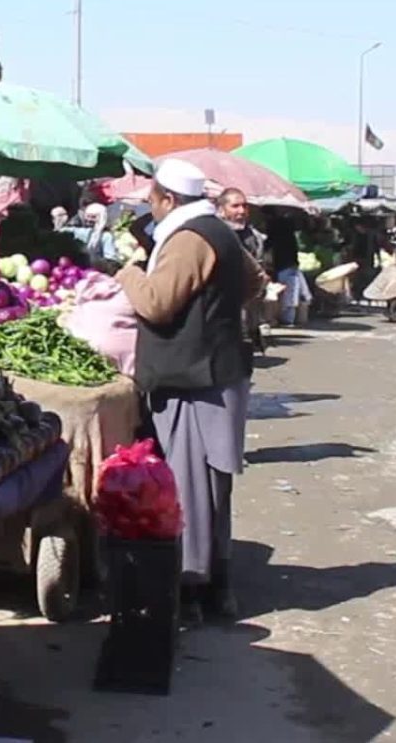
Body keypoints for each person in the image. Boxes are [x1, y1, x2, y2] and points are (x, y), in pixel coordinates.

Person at [116, 159, 267, 625]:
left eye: (152, 201)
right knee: (213, 486)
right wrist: (215, 313)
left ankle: (193, 588)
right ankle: (218, 588)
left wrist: (128, 273)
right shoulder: (219, 231)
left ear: (169, 199)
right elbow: (255, 282)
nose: (150, 210)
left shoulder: (187, 240)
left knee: (189, 487)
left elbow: (157, 304)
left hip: (194, 380)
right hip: (219, 373)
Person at [219, 188, 266, 350]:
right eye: (235, 206)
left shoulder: (254, 236)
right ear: (221, 209)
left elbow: (259, 264)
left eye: (244, 206)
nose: (241, 211)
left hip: (247, 297)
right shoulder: (215, 233)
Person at [265, 216, 310, 325]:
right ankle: (289, 318)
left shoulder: (273, 237)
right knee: (291, 294)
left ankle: (281, 318)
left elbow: (267, 249)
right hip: (291, 266)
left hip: (280, 266)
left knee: (279, 293)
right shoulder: (291, 237)